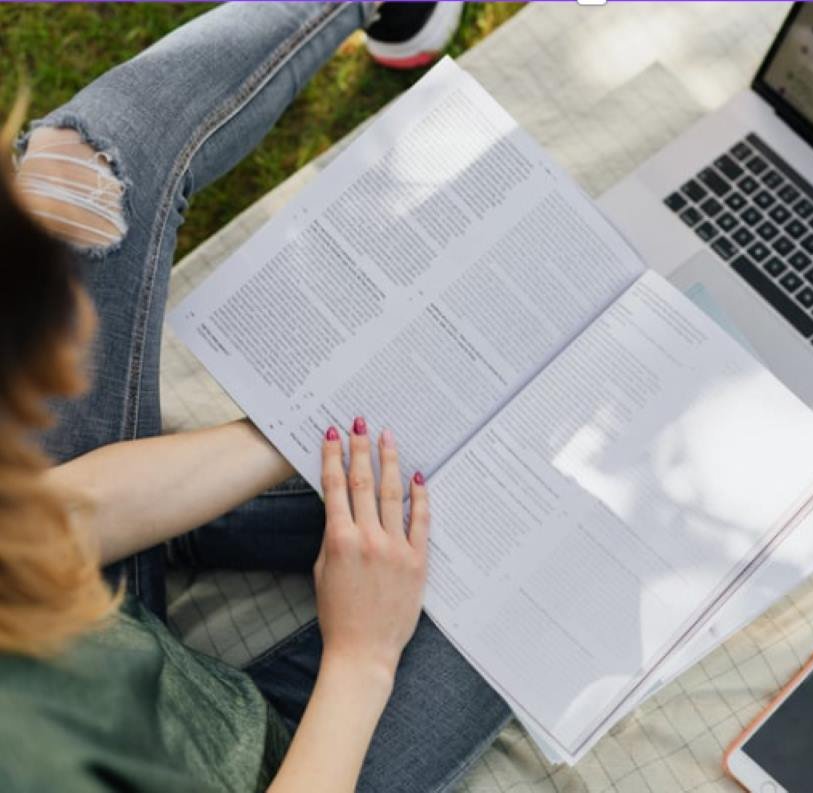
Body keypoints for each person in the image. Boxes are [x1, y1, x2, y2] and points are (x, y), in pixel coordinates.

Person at [0, 4, 509, 791]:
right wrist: (360, 656)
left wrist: (292, 426)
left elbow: (36, 524)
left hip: (95, 629)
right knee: (519, 532)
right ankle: (210, 538)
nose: (67, 383)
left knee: (75, 177)